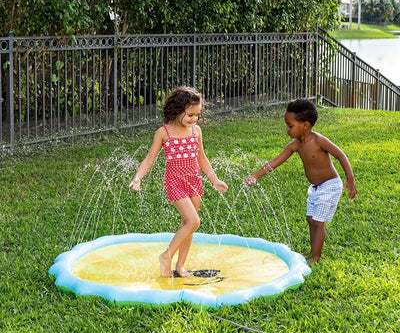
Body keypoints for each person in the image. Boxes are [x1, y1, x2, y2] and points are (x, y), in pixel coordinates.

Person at [129, 86, 228, 277]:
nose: (193, 119)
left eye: (197, 115)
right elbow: (150, 158)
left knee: (187, 224)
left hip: (194, 181)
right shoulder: (164, 132)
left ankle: (180, 265)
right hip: (175, 182)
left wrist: (214, 180)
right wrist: (138, 177)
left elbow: (202, 158)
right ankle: (166, 255)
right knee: (193, 221)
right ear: (176, 110)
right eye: (190, 115)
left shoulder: (196, 131)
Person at [244, 98, 357, 264]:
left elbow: (341, 155)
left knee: (318, 222)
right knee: (311, 220)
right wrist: (255, 176)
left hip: (330, 186)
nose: (287, 129)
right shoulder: (295, 146)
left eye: (290, 126)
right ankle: (313, 251)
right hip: (316, 188)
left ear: (305, 125)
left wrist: (351, 180)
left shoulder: (319, 141)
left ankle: (316, 257)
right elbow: (274, 162)